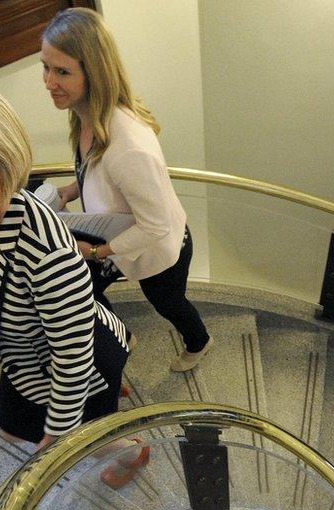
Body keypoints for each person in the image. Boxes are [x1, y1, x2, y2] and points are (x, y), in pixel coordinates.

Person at [0, 77, 148, 488]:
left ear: (4, 164)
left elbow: (73, 360)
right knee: (12, 428)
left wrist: (60, 435)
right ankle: (109, 397)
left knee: (84, 439)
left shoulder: (45, 252)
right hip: (28, 357)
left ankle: (131, 448)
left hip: (79, 360)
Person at [36, 7, 212, 372]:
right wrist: (71, 190)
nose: (49, 82)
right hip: (117, 232)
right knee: (81, 284)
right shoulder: (84, 114)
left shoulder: (129, 147)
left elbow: (155, 227)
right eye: (46, 67)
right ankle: (120, 336)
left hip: (160, 249)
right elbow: (97, 173)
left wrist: (98, 251)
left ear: (93, 73)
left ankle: (199, 342)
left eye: (62, 71)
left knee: (168, 302)